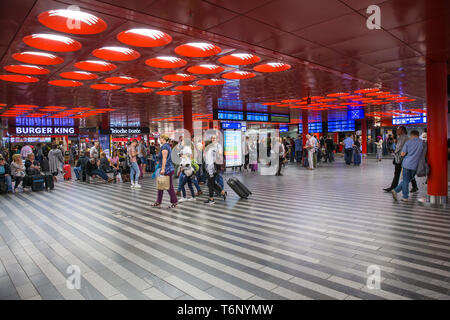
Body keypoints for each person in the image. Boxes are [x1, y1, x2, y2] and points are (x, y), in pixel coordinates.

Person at [391, 130, 424, 202]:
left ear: (411, 135)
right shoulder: (422, 143)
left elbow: (402, 154)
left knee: (405, 180)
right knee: (408, 180)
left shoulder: (408, 142)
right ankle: (398, 192)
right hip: (416, 165)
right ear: (418, 135)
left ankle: (402, 194)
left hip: (406, 164)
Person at [383, 127, 418, 193]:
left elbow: (399, 148)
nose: (397, 131)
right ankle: (414, 186)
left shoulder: (404, 138)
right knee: (400, 172)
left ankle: (394, 187)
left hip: (402, 158)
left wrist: (395, 153)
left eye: (398, 130)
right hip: (400, 158)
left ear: (402, 131)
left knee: (400, 173)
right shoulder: (402, 137)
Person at [151, 134, 178, 208]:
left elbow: (164, 158)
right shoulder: (166, 146)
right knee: (160, 186)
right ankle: (158, 201)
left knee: (169, 187)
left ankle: (174, 202)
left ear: (163, 138)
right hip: (166, 168)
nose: (159, 139)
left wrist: (163, 169)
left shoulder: (165, 146)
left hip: (167, 169)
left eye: (160, 138)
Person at [204, 135, 226, 205]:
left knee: (210, 183)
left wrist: (215, 153)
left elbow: (220, 154)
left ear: (217, 139)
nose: (213, 139)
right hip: (208, 166)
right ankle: (222, 192)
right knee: (211, 183)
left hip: (213, 167)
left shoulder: (218, 146)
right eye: (212, 138)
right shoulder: (211, 146)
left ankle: (211, 199)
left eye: (214, 138)